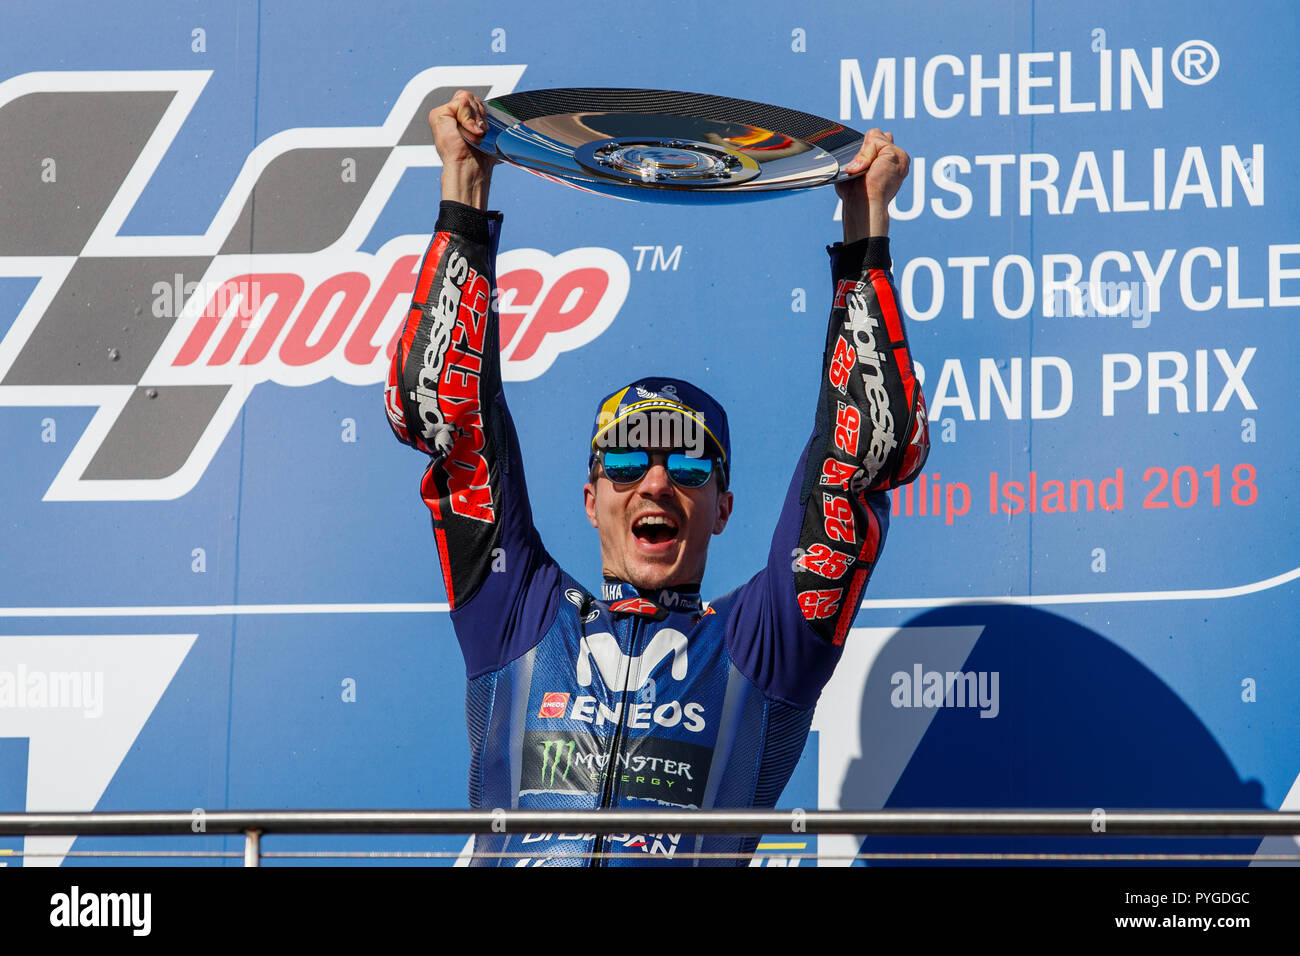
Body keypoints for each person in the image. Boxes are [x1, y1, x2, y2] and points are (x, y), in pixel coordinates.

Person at [385, 91, 929, 866]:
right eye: (629, 459)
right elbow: (444, 417)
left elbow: (865, 454)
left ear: (723, 507)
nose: (656, 482)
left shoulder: (759, 647)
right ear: (591, 496)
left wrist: (864, 226)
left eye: (690, 463)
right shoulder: (519, 614)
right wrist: (464, 189)